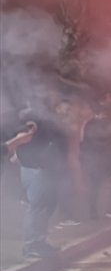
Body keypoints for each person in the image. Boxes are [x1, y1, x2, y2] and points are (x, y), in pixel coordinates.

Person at [10, 105, 72, 258]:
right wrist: (30, 127)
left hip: (47, 168)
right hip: (36, 168)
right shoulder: (34, 117)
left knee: (47, 205)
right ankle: (31, 245)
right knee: (38, 206)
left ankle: (40, 241)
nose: (67, 109)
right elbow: (24, 129)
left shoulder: (53, 120)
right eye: (65, 107)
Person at [81, 108, 111, 220]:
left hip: (91, 160)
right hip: (107, 161)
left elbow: (83, 141)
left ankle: (93, 213)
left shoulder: (89, 124)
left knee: (94, 187)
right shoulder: (109, 124)